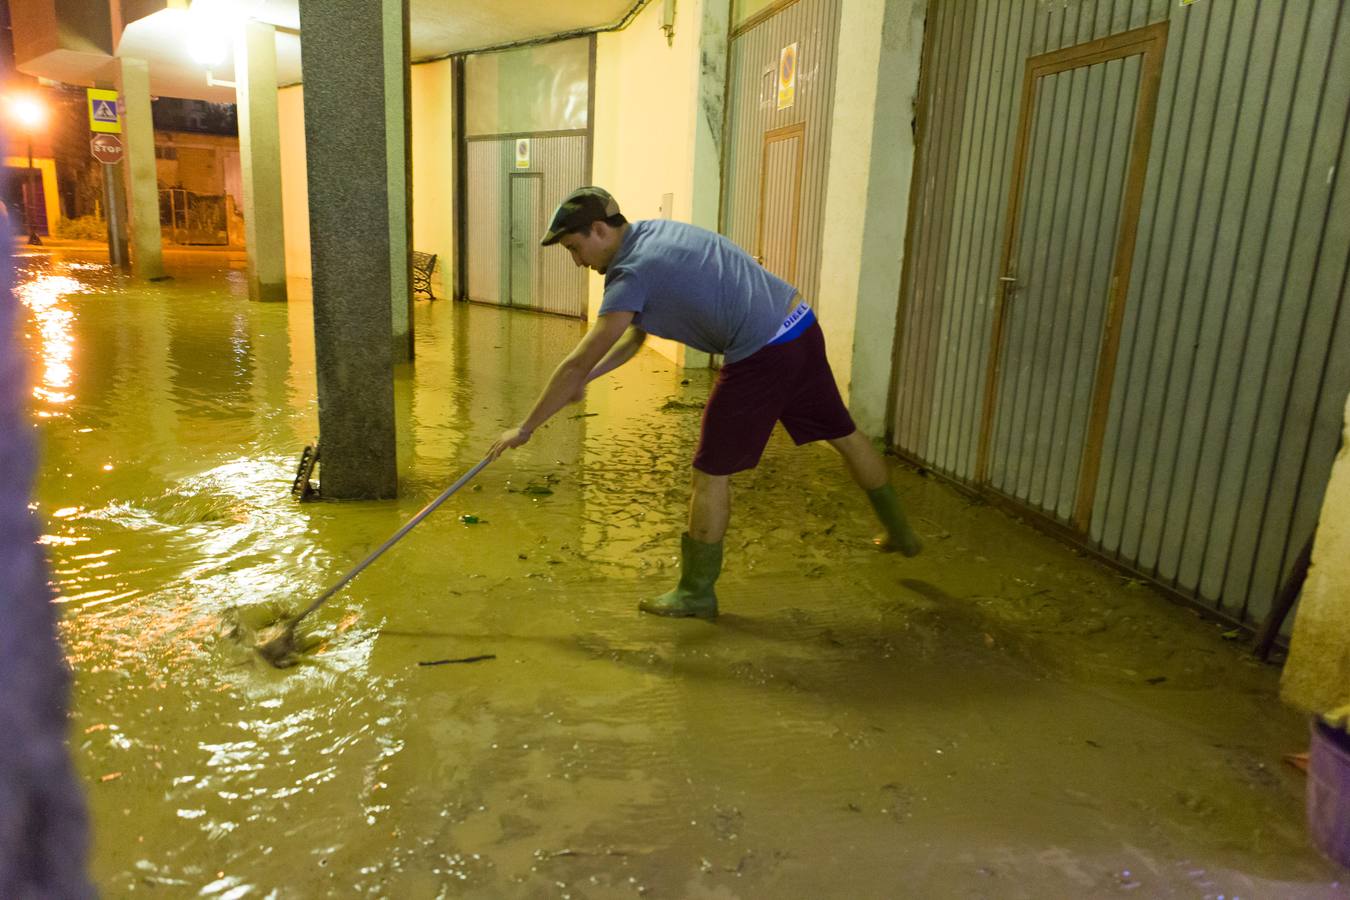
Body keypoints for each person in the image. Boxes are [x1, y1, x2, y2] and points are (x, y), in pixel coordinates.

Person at [489, 186, 922, 619]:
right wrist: (589, 378)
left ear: (599, 230)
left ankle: (696, 591)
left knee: (709, 473)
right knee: (842, 433)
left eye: (574, 248)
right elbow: (634, 338)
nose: (577, 261)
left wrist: (525, 428)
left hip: (762, 351)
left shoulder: (632, 273)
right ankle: (900, 532)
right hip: (798, 323)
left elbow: (574, 362)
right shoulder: (654, 234)